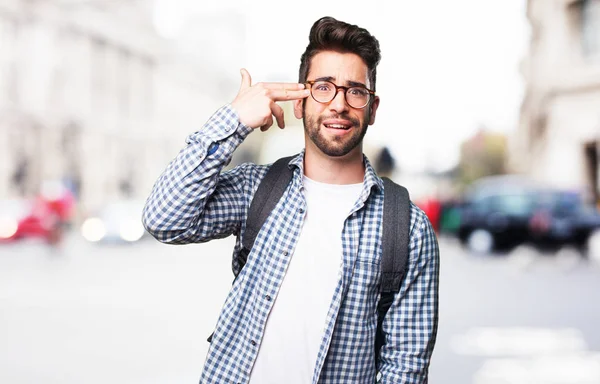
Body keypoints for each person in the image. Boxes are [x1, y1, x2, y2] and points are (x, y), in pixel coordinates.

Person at [143, 16, 439, 384]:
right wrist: (234, 120)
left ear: (372, 108)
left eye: (355, 91)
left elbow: (405, 370)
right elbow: (164, 218)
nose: (339, 104)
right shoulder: (258, 188)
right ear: (300, 102)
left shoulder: (407, 228)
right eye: (324, 87)